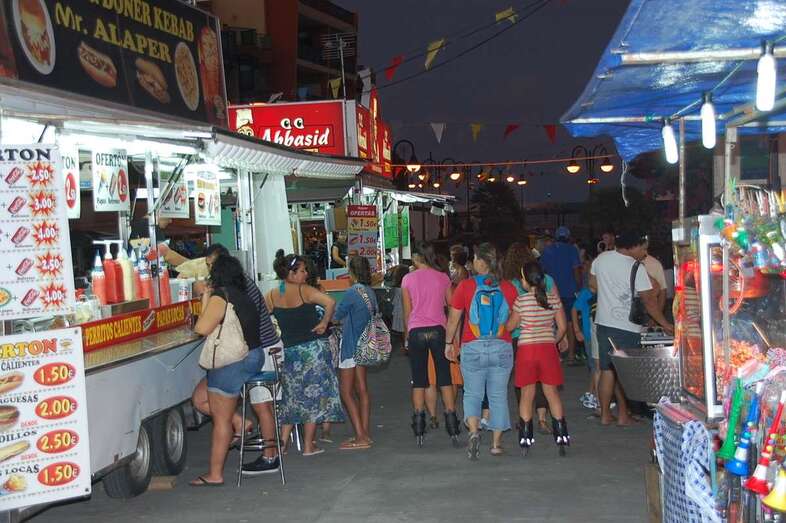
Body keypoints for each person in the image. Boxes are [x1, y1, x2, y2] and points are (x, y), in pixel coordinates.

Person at [189, 244, 283, 476]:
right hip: (254, 354)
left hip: (238, 359)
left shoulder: (223, 296)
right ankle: (241, 423)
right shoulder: (244, 291)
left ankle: (215, 474)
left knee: (223, 420)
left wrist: (206, 297)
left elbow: (202, 327)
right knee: (200, 398)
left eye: (211, 267)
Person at [590, 230, 674, 426]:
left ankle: (605, 414)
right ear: (632, 247)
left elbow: (592, 284)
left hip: (603, 322)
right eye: (642, 249)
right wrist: (665, 324)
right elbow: (650, 303)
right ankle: (623, 414)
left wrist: (610, 295)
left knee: (607, 369)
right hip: (626, 327)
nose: (644, 253)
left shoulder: (601, 259)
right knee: (624, 371)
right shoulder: (636, 268)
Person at [445, 243, 517, 459]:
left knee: (473, 393)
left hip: (472, 346)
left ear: (480, 262)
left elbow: (454, 319)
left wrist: (449, 343)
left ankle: (474, 432)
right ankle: (495, 444)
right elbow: (516, 317)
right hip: (501, 346)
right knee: (498, 395)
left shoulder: (465, 286)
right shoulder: (508, 287)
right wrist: (505, 328)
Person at [267, 253, 343, 455]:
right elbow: (330, 302)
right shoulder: (305, 290)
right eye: (302, 270)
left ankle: (282, 443)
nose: (306, 273)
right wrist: (324, 322)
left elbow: (264, 318)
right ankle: (309, 445)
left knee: (291, 397)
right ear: (291, 273)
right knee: (312, 397)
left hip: (289, 352)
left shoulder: (273, 293)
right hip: (312, 351)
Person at [506, 262, 570, 454]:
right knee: (552, 394)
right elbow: (562, 327)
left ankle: (526, 438)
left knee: (527, 395)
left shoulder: (521, 301)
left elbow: (510, 327)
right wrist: (553, 340)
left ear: (525, 280)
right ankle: (561, 436)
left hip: (527, 350)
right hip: (547, 350)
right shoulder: (553, 299)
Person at [402, 241, 459, 446]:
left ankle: (419, 426)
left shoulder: (407, 279)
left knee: (419, 380)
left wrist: (407, 337)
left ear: (417, 258)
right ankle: (452, 424)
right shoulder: (443, 278)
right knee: (444, 378)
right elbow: (453, 306)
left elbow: (407, 313)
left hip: (416, 331)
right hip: (438, 331)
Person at [502, 243, 558, 435]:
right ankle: (543, 418)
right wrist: (559, 336)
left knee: (524, 385)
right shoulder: (547, 279)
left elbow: (509, 316)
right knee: (547, 384)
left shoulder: (511, 283)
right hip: (546, 337)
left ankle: (524, 421)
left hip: (521, 338)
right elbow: (556, 308)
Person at [333, 256, 376, 450]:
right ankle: (364, 433)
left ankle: (360, 436)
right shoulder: (370, 292)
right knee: (362, 390)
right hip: (365, 345)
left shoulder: (351, 292)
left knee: (346, 392)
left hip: (350, 346)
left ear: (351, 272)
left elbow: (336, 317)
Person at [539, 226, 582, 366]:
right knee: (569, 322)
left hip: (551, 291)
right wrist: (578, 287)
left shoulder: (548, 250)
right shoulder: (572, 250)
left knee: (551, 323)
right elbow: (576, 270)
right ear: (568, 237)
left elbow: (542, 271)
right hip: (570, 291)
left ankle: (553, 354)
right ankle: (570, 355)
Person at [572, 270, 600, 411]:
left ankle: (591, 393)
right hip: (589, 334)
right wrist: (577, 330)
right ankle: (595, 396)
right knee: (595, 366)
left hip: (597, 334)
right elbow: (574, 310)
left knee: (595, 367)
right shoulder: (585, 293)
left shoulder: (601, 292)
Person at [641, 242, 668, 317]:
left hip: (649, 312)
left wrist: (655, 318)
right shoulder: (627, 262)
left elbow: (662, 291)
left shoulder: (654, 263)